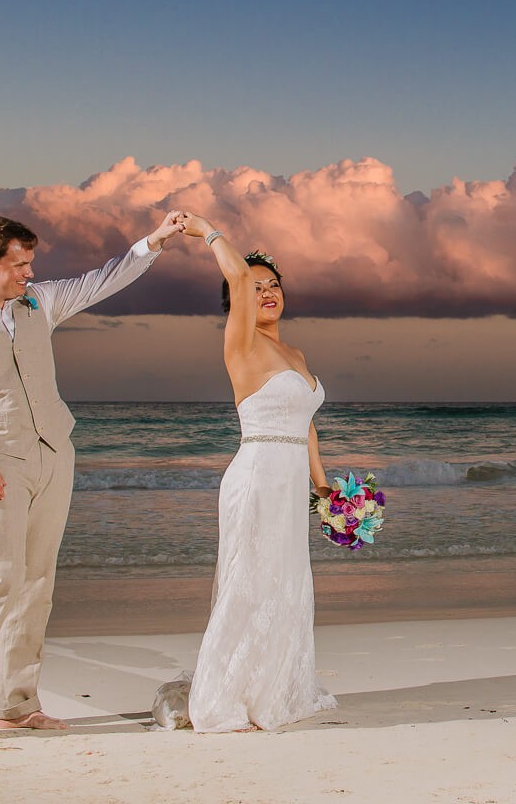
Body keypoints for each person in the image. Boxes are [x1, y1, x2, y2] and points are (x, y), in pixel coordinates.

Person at [0, 211, 188, 742]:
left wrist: (154, 240)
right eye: (19, 265)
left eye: (31, 264)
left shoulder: (38, 302)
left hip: (55, 454)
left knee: (37, 583)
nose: (28, 274)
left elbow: (102, 279)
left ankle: (16, 705)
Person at [178, 212, 337, 731]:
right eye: (256, 286)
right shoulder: (242, 344)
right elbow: (240, 279)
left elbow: (307, 424)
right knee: (247, 584)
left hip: (290, 482)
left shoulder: (295, 352)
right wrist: (206, 230)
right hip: (256, 476)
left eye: (275, 285)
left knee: (286, 582)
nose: (266, 292)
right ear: (239, 299)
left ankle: (272, 687)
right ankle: (222, 700)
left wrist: (323, 490)